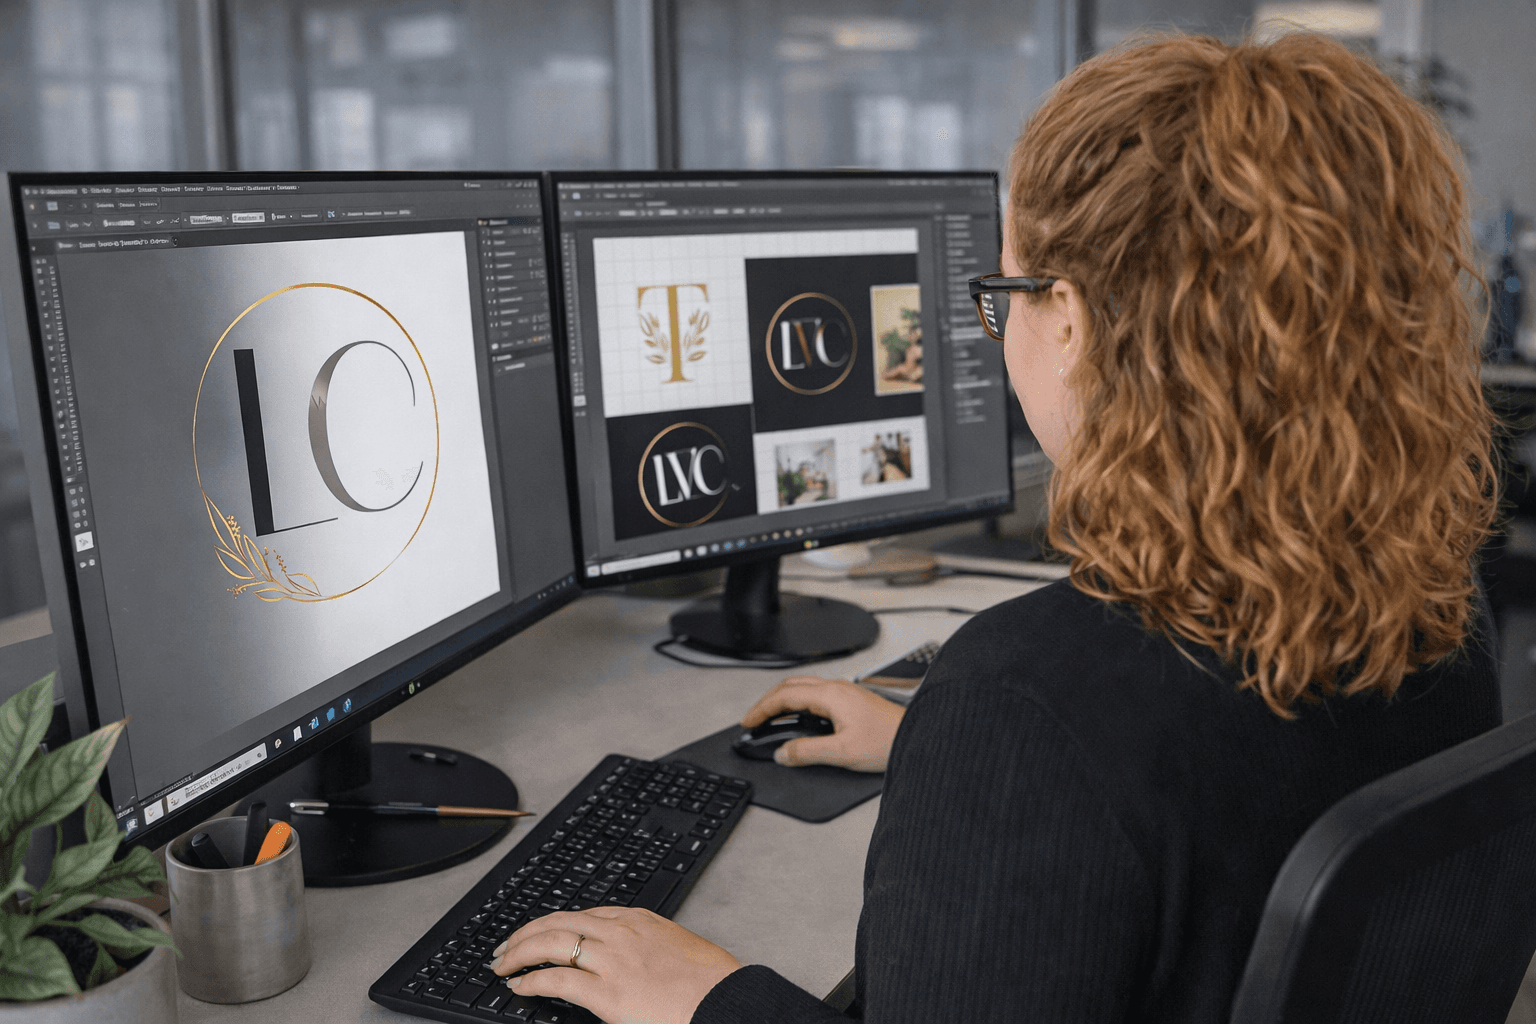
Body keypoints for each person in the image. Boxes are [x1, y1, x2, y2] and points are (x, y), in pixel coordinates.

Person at [492, 30, 1501, 1024]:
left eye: (1004, 290)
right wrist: (946, 748)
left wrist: (710, 999)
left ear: (1071, 314)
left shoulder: (1027, 700)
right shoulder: (1441, 600)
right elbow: (1223, 785)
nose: (1002, 327)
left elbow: (1121, 751)